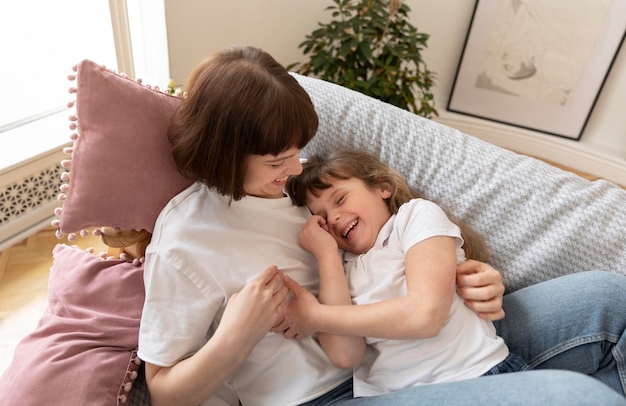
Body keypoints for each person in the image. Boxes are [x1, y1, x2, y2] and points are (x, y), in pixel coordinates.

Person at [137, 45, 626, 406]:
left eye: (295, 152)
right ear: (224, 154)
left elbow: (402, 255)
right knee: (577, 398)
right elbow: (163, 393)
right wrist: (235, 337)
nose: (293, 169)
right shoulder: (185, 243)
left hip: (423, 343)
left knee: (611, 298)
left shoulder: (310, 184)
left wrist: (475, 274)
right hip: (335, 395)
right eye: (276, 161)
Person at [283, 149, 531, 396]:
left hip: (474, 374)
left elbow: (425, 316)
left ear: (382, 187)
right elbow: (344, 354)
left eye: (340, 200)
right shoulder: (340, 265)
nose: (334, 218)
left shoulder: (413, 217)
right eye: (322, 217)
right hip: (398, 397)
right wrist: (326, 256)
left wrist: (316, 317)